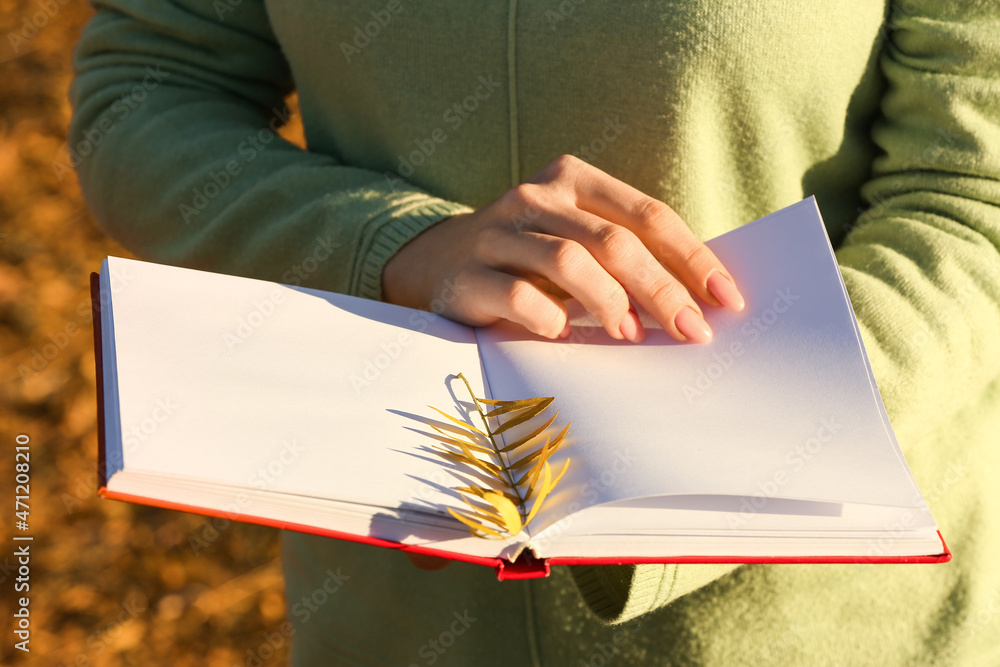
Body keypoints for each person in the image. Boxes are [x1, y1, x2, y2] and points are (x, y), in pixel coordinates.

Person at [70, 1, 1000, 664]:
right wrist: (399, 244)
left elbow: (971, 200)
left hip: (832, 631)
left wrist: (694, 473)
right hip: (389, 617)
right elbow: (147, 93)